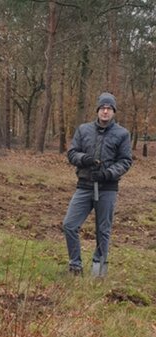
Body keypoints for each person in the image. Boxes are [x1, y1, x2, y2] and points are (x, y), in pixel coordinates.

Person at [63, 92, 132, 277]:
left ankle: (98, 268)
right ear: (98, 110)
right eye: (103, 108)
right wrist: (85, 159)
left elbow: (125, 161)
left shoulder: (122, 134)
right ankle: (75, 265)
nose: (105, 111)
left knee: (103, 230)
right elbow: (72, 153)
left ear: (114, 112)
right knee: (69, 224)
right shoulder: (83, 130)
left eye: (109, 108)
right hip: (84, 185)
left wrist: (108, 173)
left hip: (107, 189)